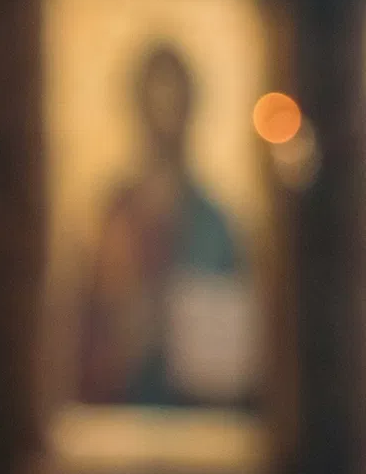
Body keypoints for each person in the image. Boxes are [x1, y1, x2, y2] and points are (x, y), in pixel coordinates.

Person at [78, 42, 253, 407]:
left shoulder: (214, 222)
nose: (164, 112)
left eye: (174, 99)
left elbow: (232, 340)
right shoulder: (115, 213)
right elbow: (87, 328)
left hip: (197, 412)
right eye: (155, 98)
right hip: (121, 407)